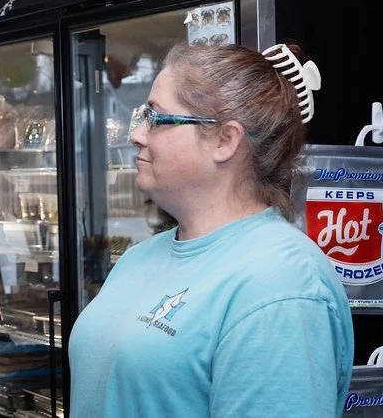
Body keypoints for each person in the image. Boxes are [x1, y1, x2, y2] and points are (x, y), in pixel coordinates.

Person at [69, 42, 354, 417]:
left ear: (225, 140)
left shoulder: (281, 286)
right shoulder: (139, 257)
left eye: (156, 118)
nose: (137, 134)